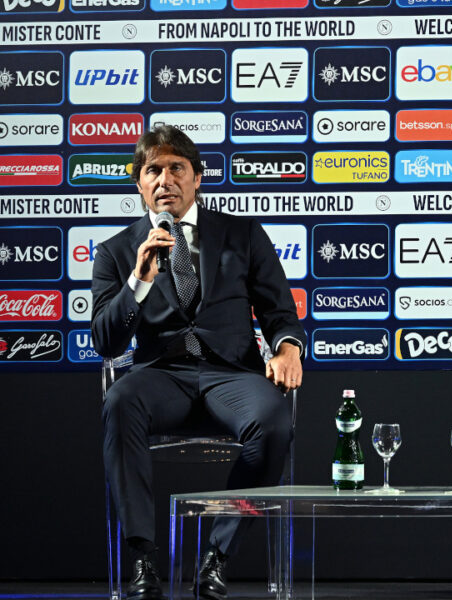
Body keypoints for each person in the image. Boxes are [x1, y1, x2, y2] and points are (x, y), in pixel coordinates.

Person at [92, 125, 306, 600]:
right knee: (120, 400)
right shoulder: (116, 251)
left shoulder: (242, 233)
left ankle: (217, 556)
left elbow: (279, 310)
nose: (165, 179)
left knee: (273, 420)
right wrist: (138, 283)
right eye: (153, 170)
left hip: (231, 375)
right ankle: (145, 558)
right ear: (139, 183)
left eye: (176, 168)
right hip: (160, 379)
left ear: (197, 178)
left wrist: (288, 347)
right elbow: (106, 342)